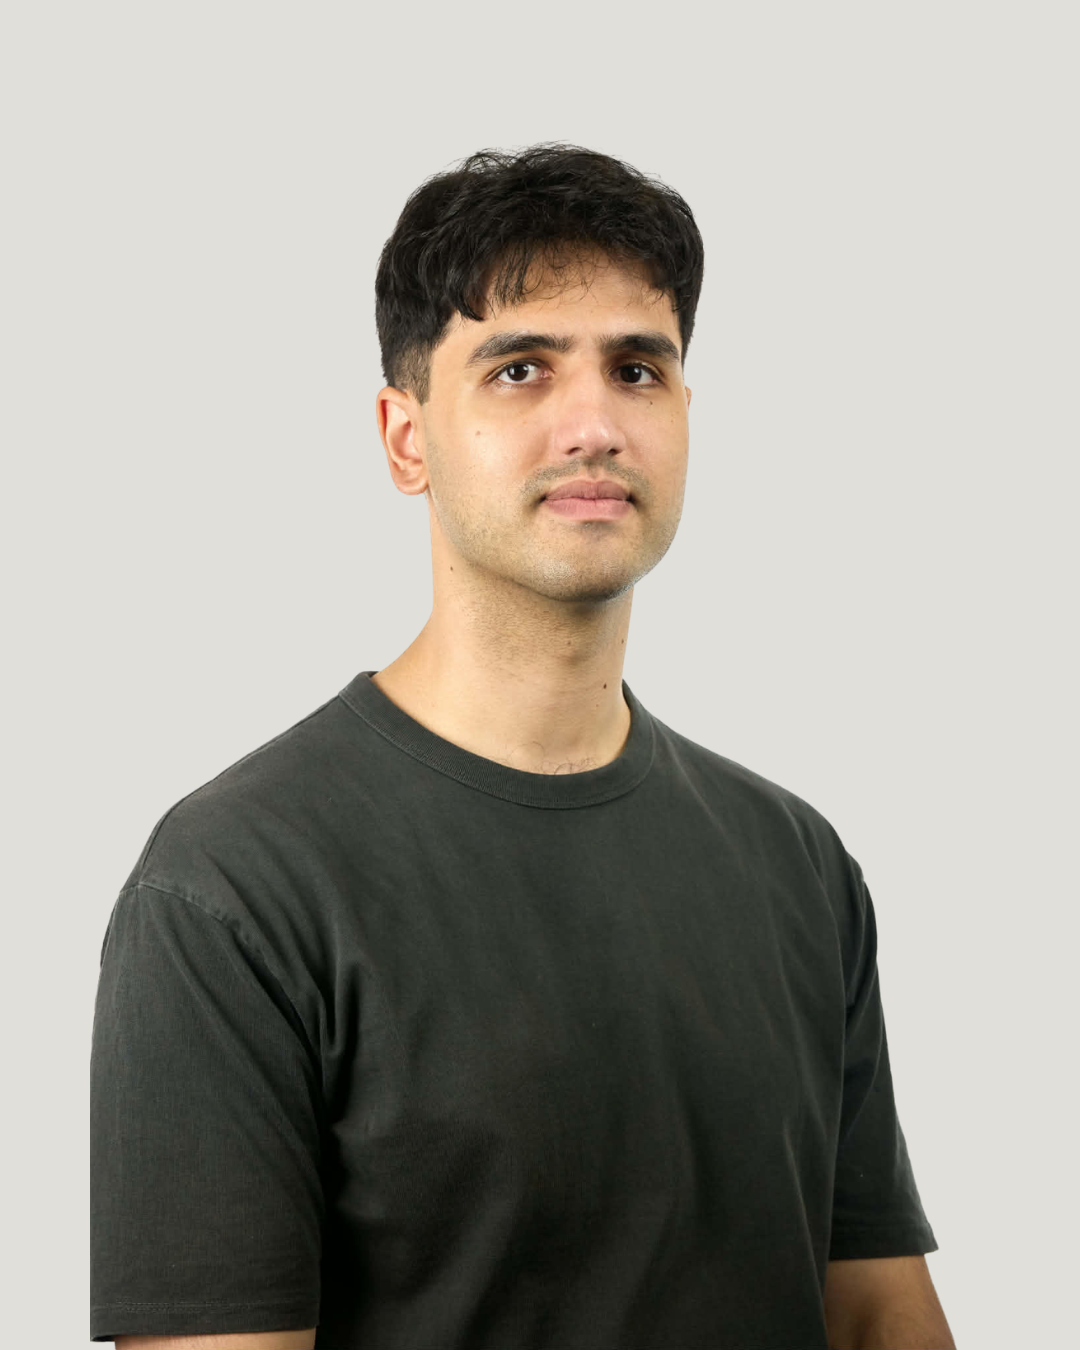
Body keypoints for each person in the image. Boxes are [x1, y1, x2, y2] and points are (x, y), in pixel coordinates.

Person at [90, 142, 955, 1349]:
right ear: (406, 440)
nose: (594, 422)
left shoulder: (799, 865)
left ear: (686, 419)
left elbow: (875, 1317)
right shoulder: (233, 887)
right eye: (519, 369)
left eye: (638, 368)